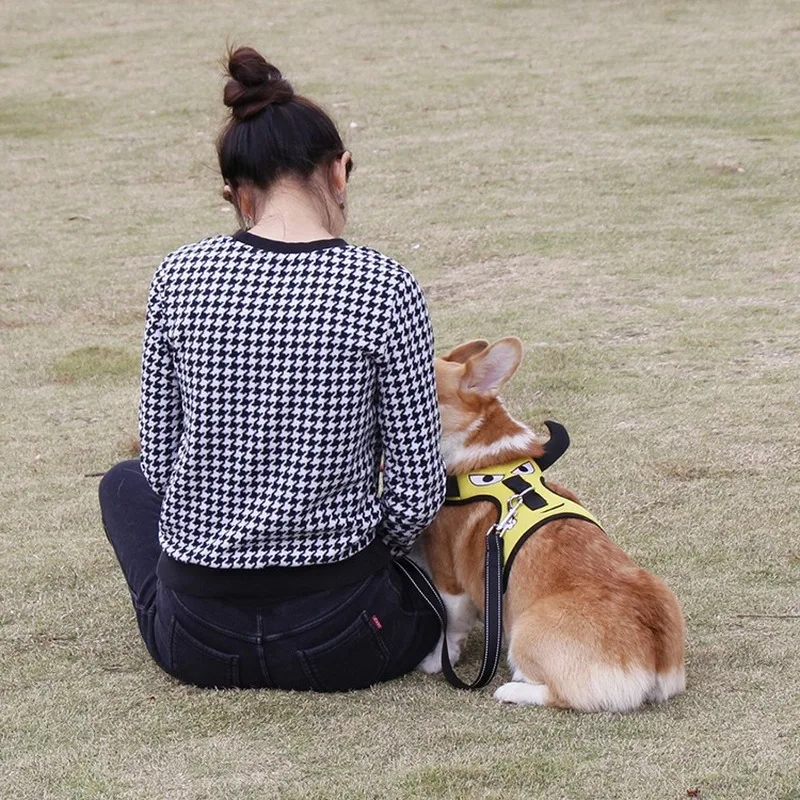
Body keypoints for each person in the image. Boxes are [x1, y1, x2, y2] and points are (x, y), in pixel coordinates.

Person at [98, 46, 446, 691]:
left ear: (236, 193)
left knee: (121, 484)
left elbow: (159, 459)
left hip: (198, 641)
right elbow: (415, 494)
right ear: (340, 172)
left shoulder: (177, 275)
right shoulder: (384, 286)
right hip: (345, 638)